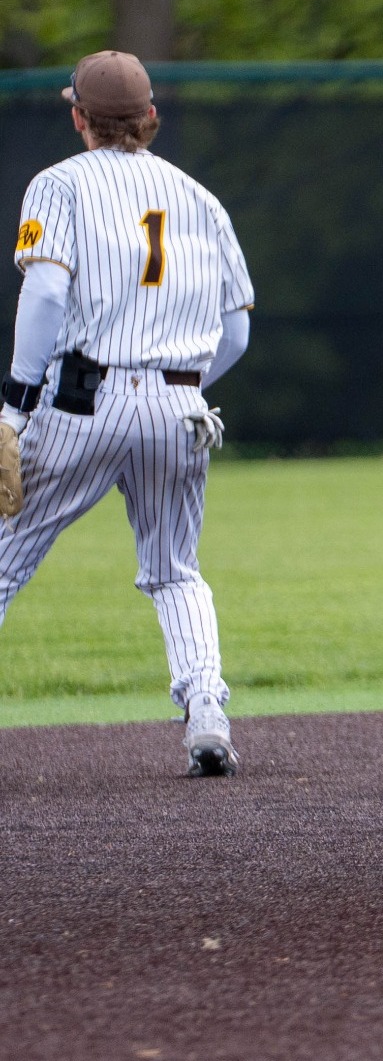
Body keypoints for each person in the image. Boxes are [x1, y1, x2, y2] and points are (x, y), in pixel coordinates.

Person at [3, 51, 254, 777]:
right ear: (150, 119)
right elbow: (236, 331)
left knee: (4, 561)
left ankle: (206, 704)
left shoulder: (58, 184)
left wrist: (16, 404)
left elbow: (46, 294)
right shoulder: (201, 198)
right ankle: (206, 709)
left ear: (79, 117)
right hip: (181, 407)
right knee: (177, 570)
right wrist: (179, 387)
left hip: (83, 401)